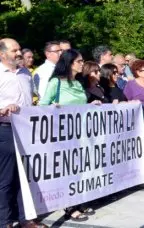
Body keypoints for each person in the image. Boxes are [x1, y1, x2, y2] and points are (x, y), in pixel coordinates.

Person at [39, 49, 97, 221]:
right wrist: (53, 108)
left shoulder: (78, 83)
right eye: (79, 61)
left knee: (79, 169)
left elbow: (81, 105)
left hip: (80, 134)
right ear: (70, 63)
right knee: (67, 170)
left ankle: (77, 201)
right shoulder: (56, 82)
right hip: (62, 135)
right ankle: (69, 207)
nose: (82, 64)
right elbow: (42, 106)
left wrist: (92, 104)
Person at [0, 38, 49, 228]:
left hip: (27, 131)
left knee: (26, 177)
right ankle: (4, 222)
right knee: (6, 179)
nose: (19, 53)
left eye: (19, 49)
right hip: (5, 130)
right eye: (14, 51)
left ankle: (26, 219)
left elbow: (34, 99)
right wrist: (3, 109)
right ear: (2, 54)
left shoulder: (25, 73)